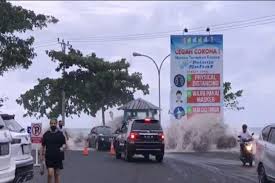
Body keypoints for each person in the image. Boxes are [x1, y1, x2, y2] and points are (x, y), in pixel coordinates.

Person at [40, 119, 66, 183]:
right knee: (50, 173)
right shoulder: (46, 134)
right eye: (52, 123)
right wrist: (41, 156)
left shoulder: (60, 134)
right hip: (49, 157)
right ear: (50, 124)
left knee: (57, 174)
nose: (53, 125)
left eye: (54, 123)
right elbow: (42, 146)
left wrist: (62, 148)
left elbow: (64, 144)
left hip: (58, 157)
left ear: (56, 124)